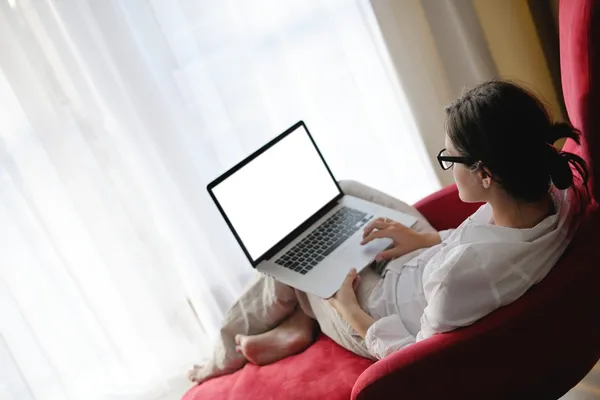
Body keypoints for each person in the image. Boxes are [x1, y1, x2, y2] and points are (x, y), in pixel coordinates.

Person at [188, 80, 589, 383]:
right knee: (343, 193)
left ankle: (229, 352)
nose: (446, 165)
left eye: (449, 158)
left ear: (485, 173)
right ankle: (301, 321)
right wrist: (425, 240)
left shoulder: (460, 278)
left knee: (291, 244)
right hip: (427, 261)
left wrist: (348, 309)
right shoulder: (558, 193)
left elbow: (417, 355)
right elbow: (482, 247)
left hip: (379, 313)